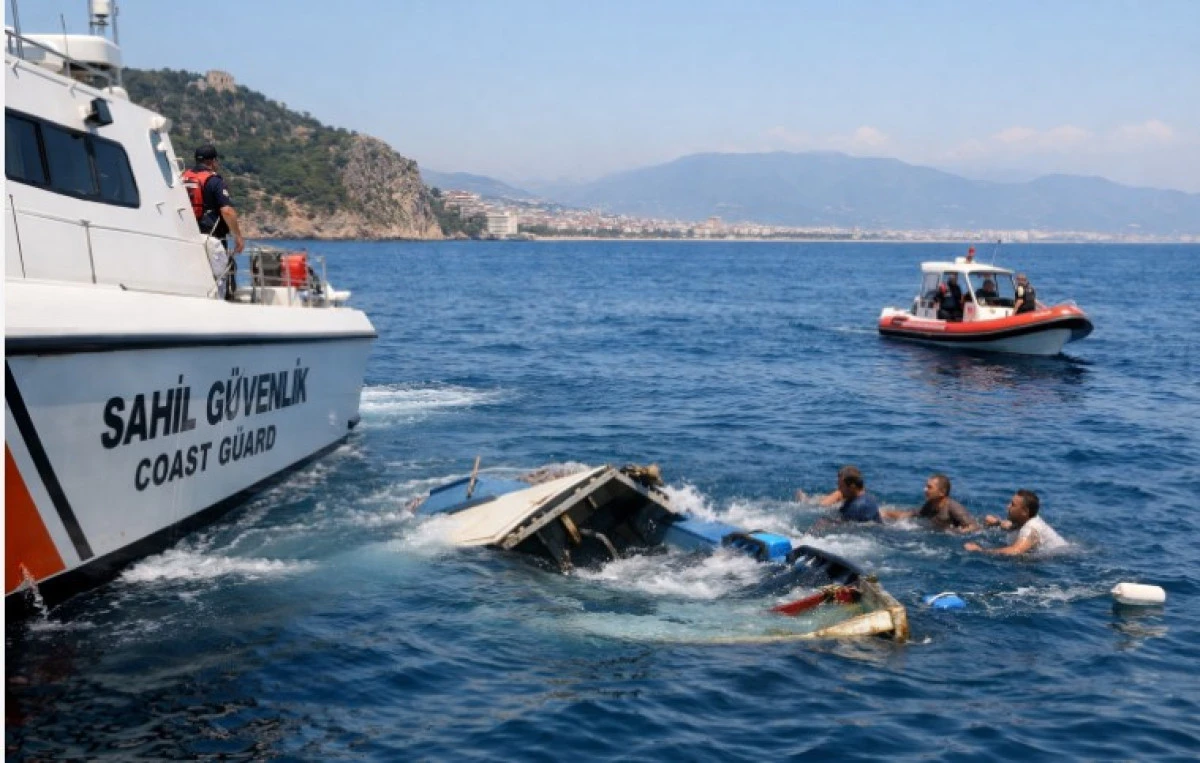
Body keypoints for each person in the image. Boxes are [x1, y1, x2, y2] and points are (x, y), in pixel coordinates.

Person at [182, 145, 245, 298]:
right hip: (212, 238)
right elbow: (227, 211)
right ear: (212, 161)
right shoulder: (215, 181)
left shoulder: (184, 177)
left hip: (187, 235)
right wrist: (238, 237)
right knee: (219, 282)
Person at [964, 489, 1066, 555]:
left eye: (1013, 505)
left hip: (1062, 558)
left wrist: (980, 550)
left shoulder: (1031, 529)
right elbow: (1010, 526)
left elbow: (1015, 551)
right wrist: (997, 523)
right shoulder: (1025, 520)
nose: (1008, 507)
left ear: (1025, 511)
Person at [883, 473, 978, 532]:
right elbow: (910, 514)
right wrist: (886, 512)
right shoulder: (930, 504)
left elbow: (974, 527)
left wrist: (955, 533)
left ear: (942, 492)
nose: (924, 489)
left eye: (929, 487)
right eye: (926, 486)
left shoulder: (953, 507)